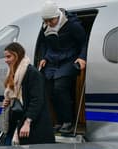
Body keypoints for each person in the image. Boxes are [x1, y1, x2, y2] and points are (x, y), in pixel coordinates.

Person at [37, 1, 87, 133]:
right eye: (45, 20)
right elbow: (43, 44)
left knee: (60, 88)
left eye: (50, 20)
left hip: (68, 59)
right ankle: (58, 121)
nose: (48, 23)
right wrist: (43, 57)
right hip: (52, 60)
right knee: (49, 90)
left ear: (57, 16)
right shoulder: (45, 26)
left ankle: (68, 121)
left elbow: (84, 42)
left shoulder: (72, 25)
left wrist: (82, 57)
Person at [2, 42, 55, 145]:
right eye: (5, 57)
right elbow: (16, 96)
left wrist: (27, 122)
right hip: (16, 122)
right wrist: (8, 101)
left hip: (32, 124)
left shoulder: (32, 73)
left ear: (17, 55)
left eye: (9, 57)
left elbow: (37, 100)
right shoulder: (12, 73)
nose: (6, 60)